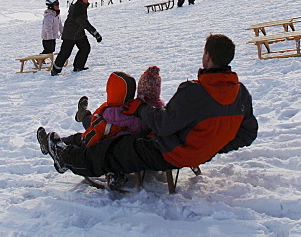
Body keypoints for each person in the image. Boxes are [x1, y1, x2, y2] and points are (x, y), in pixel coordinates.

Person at [37, 34, 258, 189]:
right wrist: (211, 145)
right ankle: (67, 141)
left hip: (169, 152)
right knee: (123, 133)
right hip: (194, 152)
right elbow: (247, 134)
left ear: (207, 56)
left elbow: (162, 124)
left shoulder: (195, 91)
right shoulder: (241, 94)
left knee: (110, 149)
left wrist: (142, 108)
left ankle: (65, 157)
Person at [73, 66, 167, 144]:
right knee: (95, 123)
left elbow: (115, 115)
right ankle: (83, 113)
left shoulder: (137, 110)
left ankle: (83, 113)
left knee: (93, 123)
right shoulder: (160, 106)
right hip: (127, 140)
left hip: (118, 141)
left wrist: (107, 109)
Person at [51, 0, 102, 76]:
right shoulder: (78, 9)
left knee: (85, 48)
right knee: (65, 52)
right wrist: (95, 33)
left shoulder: (81, 6)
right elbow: (85, 23)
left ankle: (78, 66)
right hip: (70, 34)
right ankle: (55, 70)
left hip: (78, 33)